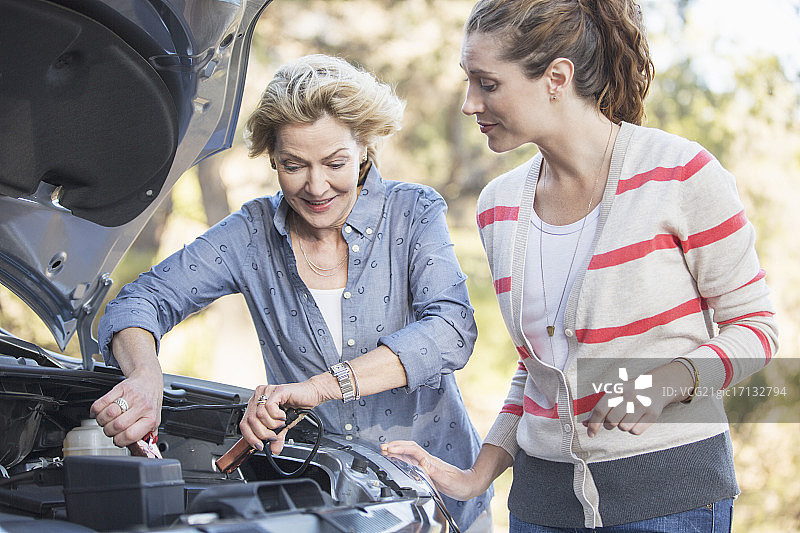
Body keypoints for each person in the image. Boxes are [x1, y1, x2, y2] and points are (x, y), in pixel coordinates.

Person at [381, 1, 778, 531]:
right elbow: (540, 370)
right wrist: (478, 475)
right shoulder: (499, 208)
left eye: (488, 84)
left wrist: (665, 382)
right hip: (539, 508)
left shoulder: (681, 175)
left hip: (668, 501)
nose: (469, 103)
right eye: (468, 82)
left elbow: (757, 328)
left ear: (556, 78)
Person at [89, 54, 492, 532]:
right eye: (294, 165)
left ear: (364, 147)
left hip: (436, 501)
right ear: (272, 158)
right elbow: (140, 302)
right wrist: (145, 374)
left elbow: (452, 330)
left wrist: (318, 388)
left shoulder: (414, 212)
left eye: (335, 163)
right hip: (323, 508)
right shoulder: (251, 233)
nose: (316, 186)